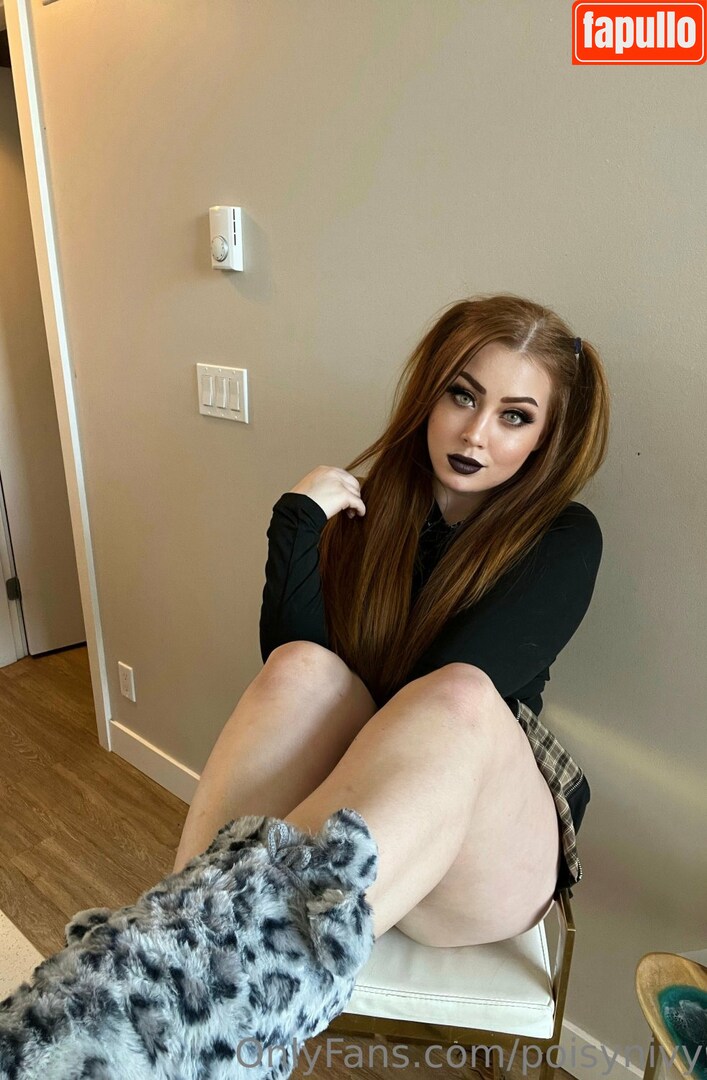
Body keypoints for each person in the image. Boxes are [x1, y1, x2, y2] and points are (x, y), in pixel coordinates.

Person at [174, 292, 610, 949]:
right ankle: (174, 939)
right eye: (462, 396)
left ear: (544, 437)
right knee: (303, 666)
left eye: (514, 416)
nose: (475, 434)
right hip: (358, 812)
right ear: (428, 396)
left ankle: (202, 965)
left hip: (481, 843)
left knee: (458, 692)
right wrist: (296, 524)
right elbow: (291, 677)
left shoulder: (561, 538)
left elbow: (425, 705)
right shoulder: (370, 510)